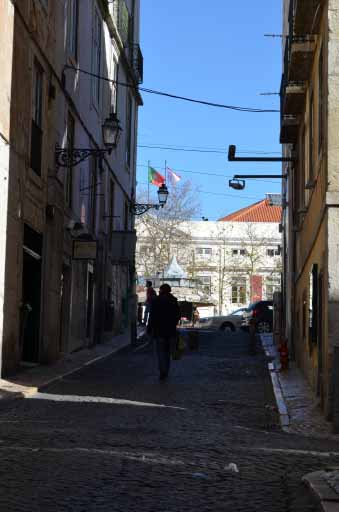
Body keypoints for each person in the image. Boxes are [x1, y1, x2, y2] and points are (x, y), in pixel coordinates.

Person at [148, 283, 181, 380]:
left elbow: (152, 316)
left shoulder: (156, 301)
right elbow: (178, 315)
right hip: (170, 331)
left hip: (159, 331)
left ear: (161, 290)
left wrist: (149, 328)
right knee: (167, 352)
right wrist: (173, 323)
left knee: (161, 352)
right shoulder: (173, 301)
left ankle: (162, 371)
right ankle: (166, 370)